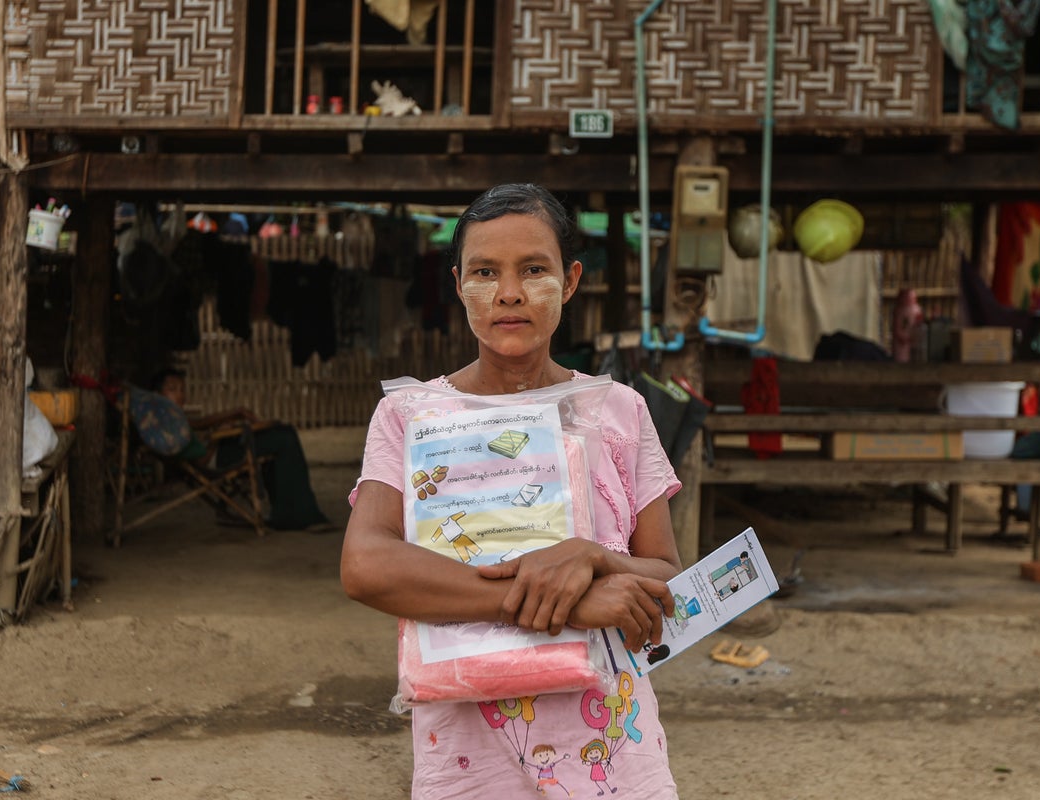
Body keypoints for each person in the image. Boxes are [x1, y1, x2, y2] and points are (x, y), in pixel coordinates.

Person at [341, 183, 682, 798]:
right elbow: (366, 566)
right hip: (469, 756)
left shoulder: (619, 411)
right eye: (484, 271)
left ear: (571, 280)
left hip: (615, 750)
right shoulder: (411, 418)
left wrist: (593, 558)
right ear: (457, 284)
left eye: (533, 269)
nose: (509, 292)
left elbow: (663, 579)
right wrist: (564, 603)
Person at [150, 368, 332, 532]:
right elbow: (201, 461)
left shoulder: (174, 418)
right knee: (284, 439)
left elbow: (200, 423)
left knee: (284, 432)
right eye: (172, 389)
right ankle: (304, 514)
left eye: (182, 389)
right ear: (158, 395)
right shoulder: (168, 424)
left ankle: (286, 512)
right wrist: (216, 437)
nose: (180, 395)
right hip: (218, 457)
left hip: (220, 449)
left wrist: (234, 415)